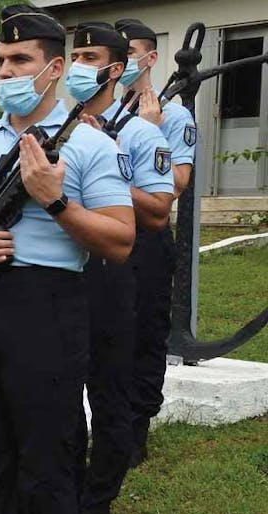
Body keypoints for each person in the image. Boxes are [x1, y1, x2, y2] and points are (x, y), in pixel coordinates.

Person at [0, 5, 135, 514]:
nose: (7, 72)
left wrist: (56, 201)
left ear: (55, 69)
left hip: (47, 308)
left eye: (21, 59)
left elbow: (122, 240)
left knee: (49, 462)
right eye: (0, 61)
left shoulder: (89, 145)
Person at [65, 22, 175, 514]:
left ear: (114, 69)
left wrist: (101, 173)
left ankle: (97, 502)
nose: (78, 67)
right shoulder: (55, 128)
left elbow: (157, 211)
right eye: (75, 56)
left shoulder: (139, 132)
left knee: (111, 388)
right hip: (59, 276)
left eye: (90, 57)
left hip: (116, 271)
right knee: (59, 389)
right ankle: (61, 489)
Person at [115, 17, 196, 468]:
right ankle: (110, 421)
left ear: (150, 58)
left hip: (147, 238)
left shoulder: (172, 114)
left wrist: (152, 129)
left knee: (145, 331)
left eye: (129, 52)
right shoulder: (106, 110)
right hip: (105, 235)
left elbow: (178, 182)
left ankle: (137, 427)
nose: (121, 61)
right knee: (109, 331)